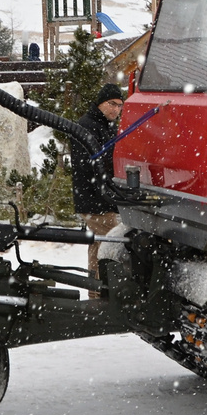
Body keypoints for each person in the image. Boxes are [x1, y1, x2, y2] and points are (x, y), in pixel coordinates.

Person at [71, 82, 124, 289]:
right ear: (101, 103)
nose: (116, 109)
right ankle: (106, 291)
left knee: (98, 246)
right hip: (95, 200)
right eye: (112, 104)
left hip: (102, 199)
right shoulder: (87, 125)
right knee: (115, 244)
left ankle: (96, 290)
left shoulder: (106, 126)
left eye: (120, 105)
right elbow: (88, 166)